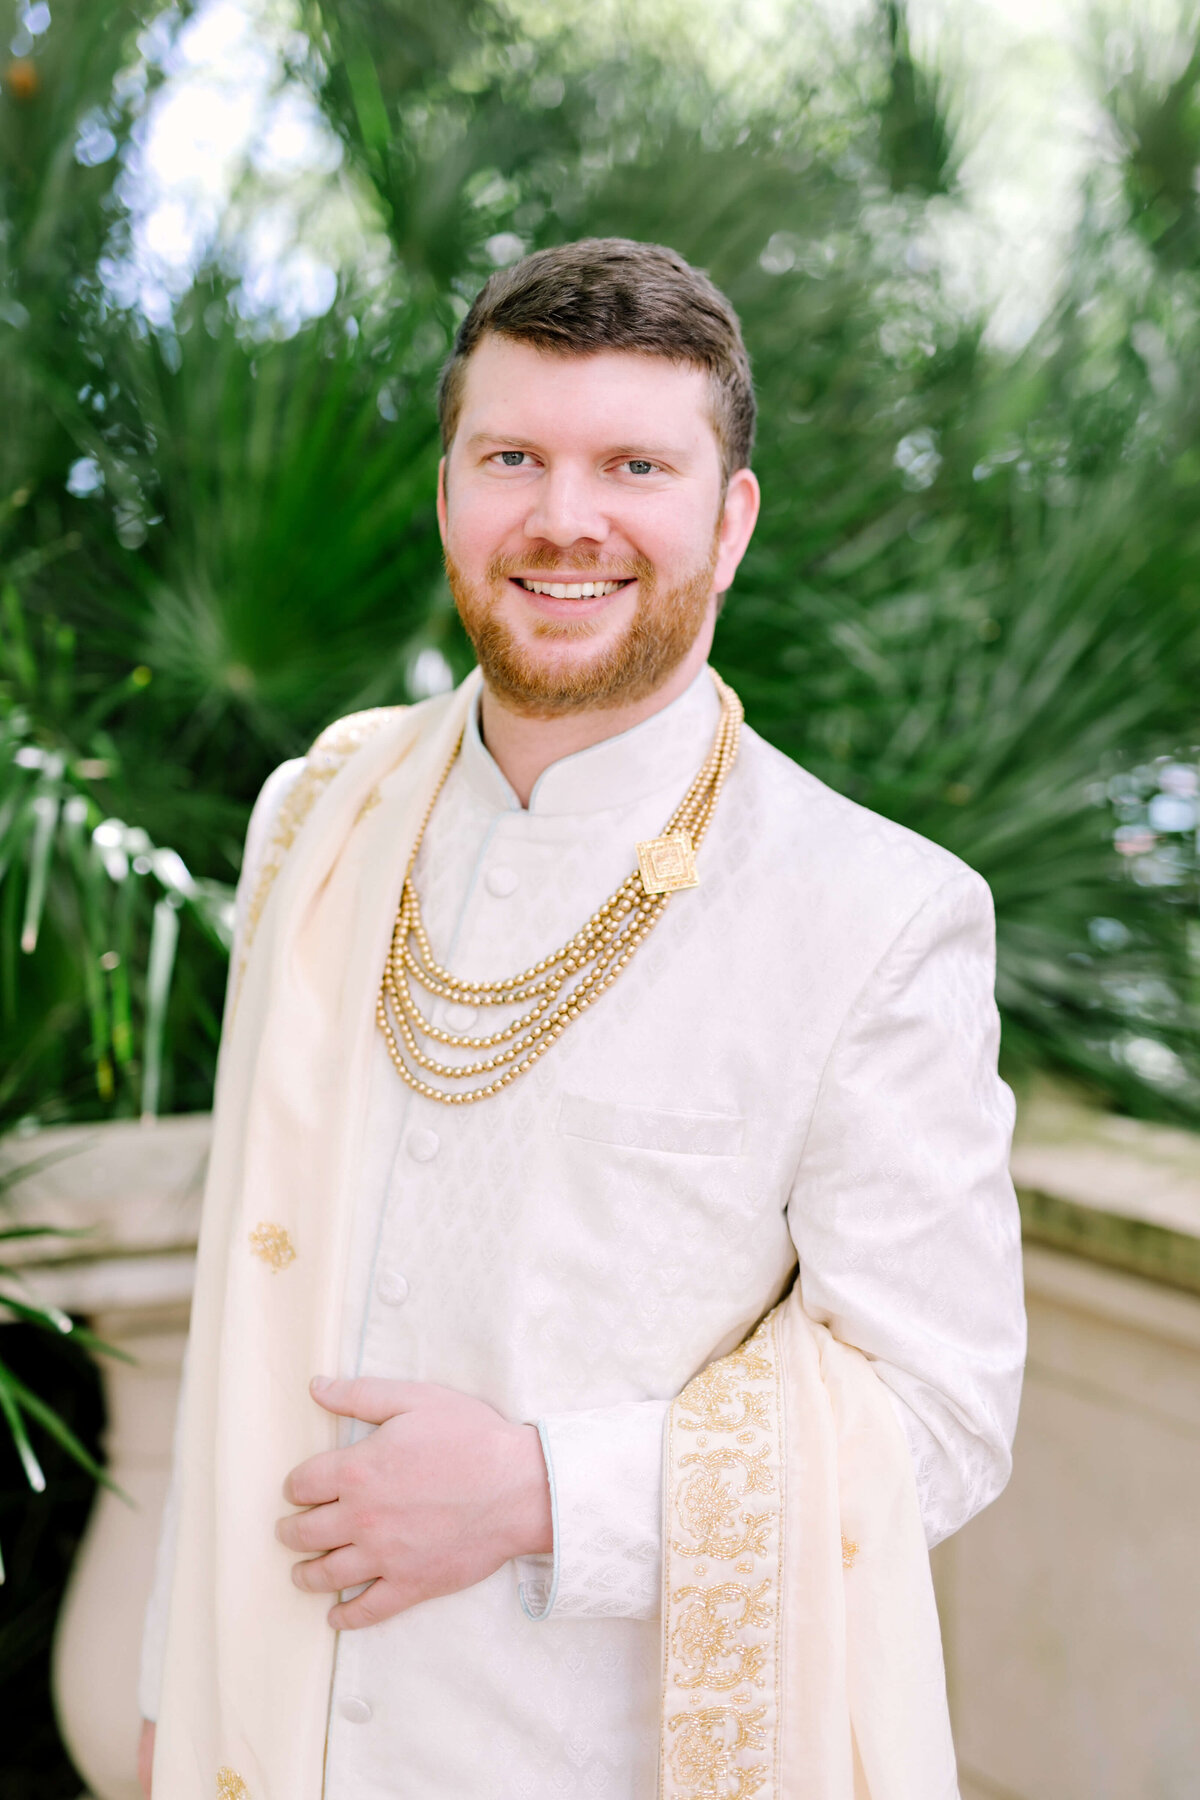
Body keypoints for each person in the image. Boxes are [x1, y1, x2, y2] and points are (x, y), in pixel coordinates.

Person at [137, 238, 1025, 1800]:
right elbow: (238, 1296)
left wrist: (542, 1492)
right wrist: (169, 1700)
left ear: (729, 519)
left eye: (635, 463)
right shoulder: (318, 818)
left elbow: (941, 1411)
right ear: (449, 491)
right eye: (513, 457)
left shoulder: (875, 915)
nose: (565, 518)